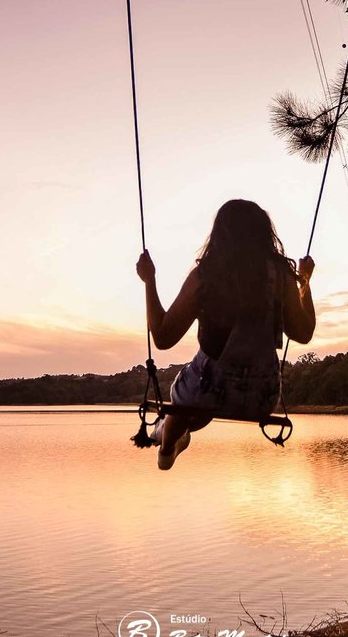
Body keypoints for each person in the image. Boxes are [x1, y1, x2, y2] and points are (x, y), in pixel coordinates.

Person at [135, 199, 316, 470]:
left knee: (184, 401)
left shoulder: (206, 276)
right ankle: (178, 433)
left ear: (219, 235)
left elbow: (162, 337)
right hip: (261, 397)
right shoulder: (280, 276)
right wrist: (305, 284)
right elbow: (303, 333)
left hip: (207, 391)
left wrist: (149, 281)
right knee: (196, 406)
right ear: (264, 234)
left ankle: (168, 443)